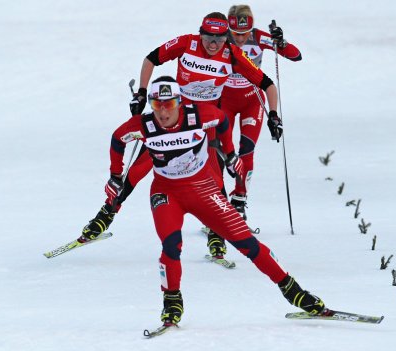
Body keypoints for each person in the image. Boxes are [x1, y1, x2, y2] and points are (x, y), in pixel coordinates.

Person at [112, 76, 325, 326]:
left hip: (203, 189)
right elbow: (117, 140)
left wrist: (231, 153)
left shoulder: (199, 115)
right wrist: (115, 175)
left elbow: (223, 121)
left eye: (169, 105)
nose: (163, 112)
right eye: (157, 105)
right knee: (171, 245)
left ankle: (293, 290)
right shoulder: (143, 125)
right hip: (166, 192)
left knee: (246, 242)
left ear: (179, 102)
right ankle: (171, 301)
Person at [80, 12, 285, 260]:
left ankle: (216, 237)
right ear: (201, 33)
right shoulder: (186, 43)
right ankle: (106, 215)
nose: (213, 43)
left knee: (213, 177)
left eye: (219, 39)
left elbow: (267, 84)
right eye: (209, 37)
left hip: (205, 122)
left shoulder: (232, 54)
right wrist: (142, 93)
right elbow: (151, 59)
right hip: (172, 116)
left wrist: (273, 115)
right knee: (140, 167)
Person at [221, 5, 303, 220]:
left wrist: (281, 42)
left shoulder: (259, 37)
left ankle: (239, 200)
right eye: (236, 34)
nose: (239, 39)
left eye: (244, 34)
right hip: (224, 101)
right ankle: (217, 203)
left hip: (252, 100)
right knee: (220, 151)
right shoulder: (219, 38)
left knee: (247, 150)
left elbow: (296, 56)